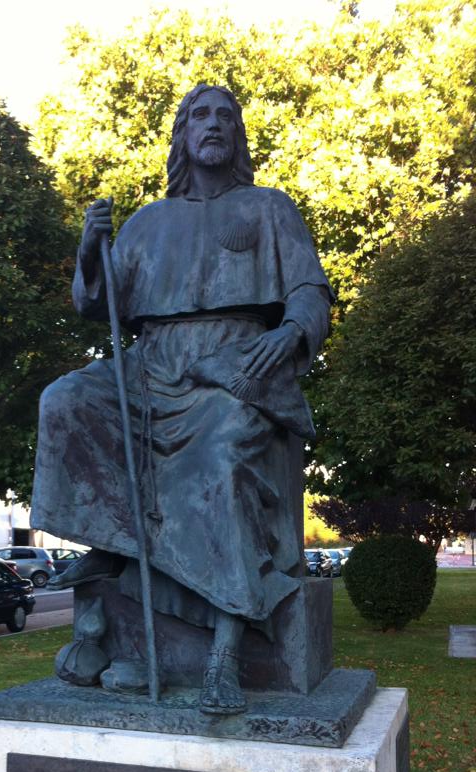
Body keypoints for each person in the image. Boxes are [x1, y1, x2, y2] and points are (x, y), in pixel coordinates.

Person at [31, 83, 333, 714]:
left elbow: (310, 291)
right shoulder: (148, 222)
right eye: (201, 115)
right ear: (183, 134)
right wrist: (90, 251)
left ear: (238, 136)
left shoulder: (269, 208)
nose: (214, 124)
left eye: (226, 115)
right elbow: (100, 303)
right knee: (64, 402)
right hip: (150, 366)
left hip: (235, 364)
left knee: (217, 466)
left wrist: (290, 332)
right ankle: (109, 568)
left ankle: (224, 654)